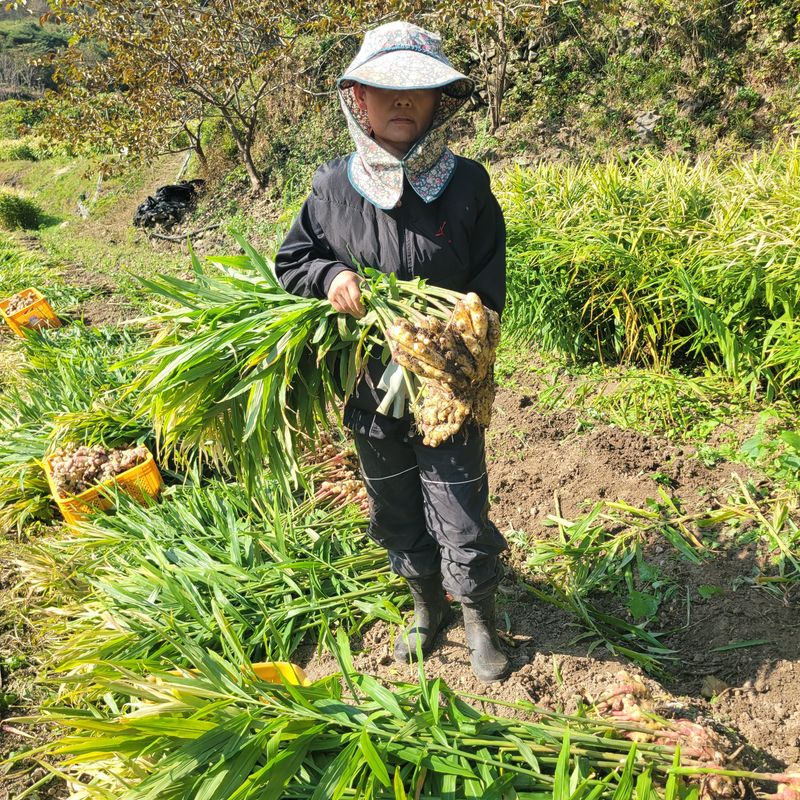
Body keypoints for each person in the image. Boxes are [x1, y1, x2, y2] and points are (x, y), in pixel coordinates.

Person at [275, 21, 509, 683]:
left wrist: (467, 324)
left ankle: (478, 615)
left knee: (459, 499)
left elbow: (490, 278)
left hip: (447, 381)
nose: (402, 103)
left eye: (419, 91)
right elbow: (295, 259)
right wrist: (330, 278)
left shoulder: (466, 185)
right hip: (369, 381)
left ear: (442, 101)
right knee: (394, 500)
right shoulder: (334, 186)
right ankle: (424, 604)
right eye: (386, 89)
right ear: (357, 97)